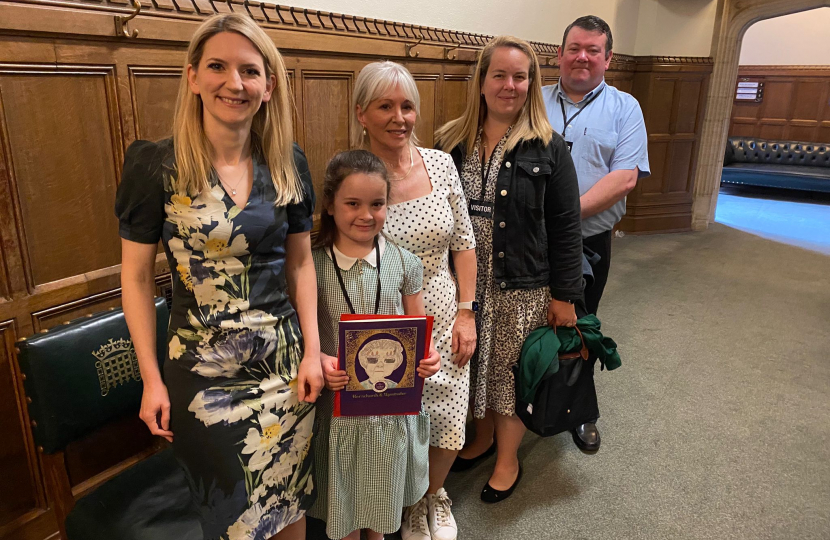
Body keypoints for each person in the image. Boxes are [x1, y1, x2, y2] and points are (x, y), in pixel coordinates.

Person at [115, 14, 323, 540]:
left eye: (250, 71)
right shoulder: (155, 166)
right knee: (232, 519)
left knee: (288, 506)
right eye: (217, 67)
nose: (234, 83)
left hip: (283, 365)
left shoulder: (287, 163)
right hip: (202, 373)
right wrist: (151, 380)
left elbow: (300, 263)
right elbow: (137, 279)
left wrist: (314, 351)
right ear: (192, 76)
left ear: (269, 86)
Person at [435, 35, 583, 503]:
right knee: (470, 365)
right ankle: (480, 438)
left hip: (521, 286)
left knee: (508, 375)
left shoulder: (549, 148)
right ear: (481, 81)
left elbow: (565, 227)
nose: (509, 85)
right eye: (499, 74)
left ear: (532, 84)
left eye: (520, 77)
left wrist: (566, 295)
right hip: (462, 284)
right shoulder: (449, 142)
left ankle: (507, 458)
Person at [351, 61, 477, 540]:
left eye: (407, 106)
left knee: (447, 415)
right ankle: (403, 503)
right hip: (384, 320)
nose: (398, 117)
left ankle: (433, 496)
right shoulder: (353, 173)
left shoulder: (440, 163)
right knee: (396, 422)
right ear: (362, 112)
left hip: (445, 313)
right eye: (385, 105)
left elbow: (464, 242)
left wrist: (468, 312)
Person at [307, 150, 440, 540]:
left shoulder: (405, 262)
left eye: (377, 204)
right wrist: (320, 359)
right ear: (330, 205)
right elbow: (304, 335)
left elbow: (419, 333)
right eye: (353, 204)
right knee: (345, 509)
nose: (366, 215)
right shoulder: (312, 265)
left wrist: (427, 359)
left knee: (381, 511)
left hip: (389, 409)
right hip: (339, 408)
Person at [541, 15, 650, 452]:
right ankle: (516, 410)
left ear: (608, 58)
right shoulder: (534, 100)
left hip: (587, 242)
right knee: (520, 325)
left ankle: (578, 414)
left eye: (592, 50)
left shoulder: (625, 108)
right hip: (529, 240)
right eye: (574, 48)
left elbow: (624, 178)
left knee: (580, 327)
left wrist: (562, 217)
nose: (582, 57)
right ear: (560, 53)